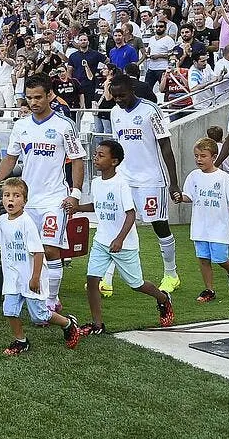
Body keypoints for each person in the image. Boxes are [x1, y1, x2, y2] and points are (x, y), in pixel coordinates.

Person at [0, 74, 86, 312]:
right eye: (29, 98)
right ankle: (30, 291)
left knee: (50, 249)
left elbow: (78, 160)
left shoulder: (64, 125)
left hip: (55, 199)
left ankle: (52, 299)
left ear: (50, 95)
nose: (33, 102)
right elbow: (11, 158)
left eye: (38, 97)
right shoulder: (21, 126)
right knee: (31, 250)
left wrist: (75, 194)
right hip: (28, 202)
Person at [67, 140, 173, 335]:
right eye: (96, 154)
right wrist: (79, 208)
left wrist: (120, 239)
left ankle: (162, 298)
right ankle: (97, 324)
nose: (95, 158)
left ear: (114, 161)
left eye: (101, 155)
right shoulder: (97, 183)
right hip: (101, 242)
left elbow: (130, 214)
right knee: (92, 281)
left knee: (136, 284)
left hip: (124, 245)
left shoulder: (122, 184)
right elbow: (98, 205)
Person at [0, 178, 82, 356]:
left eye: (16, 196)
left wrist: (35, 278)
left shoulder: (27, 223)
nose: (10, 200)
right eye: (6, 195)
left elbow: (38, 252)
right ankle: (21, 341)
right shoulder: (2, 221)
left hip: (30, 278)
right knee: (9, 310)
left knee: (40, 316)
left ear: (25, 201)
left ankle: (68, 324)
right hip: (13, 279)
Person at [108, 74, 182, 296]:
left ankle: (171, 274)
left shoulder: (151, 110)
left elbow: (166, 148)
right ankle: (107, 277)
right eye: (115, 96)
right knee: (117, 225)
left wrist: (173, 183)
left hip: (151, 179)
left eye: (122, 95)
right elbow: (117, 148)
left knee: (159, 225)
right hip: (125, 178)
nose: (119, 100)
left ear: (132, 89)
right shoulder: (114, 113)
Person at [176, 138, 229, 303]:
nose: (199, 159)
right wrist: (180, 197)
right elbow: (189, 196)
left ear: (213, 157)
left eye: (203, 156)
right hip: (200, 227)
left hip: (219, 227)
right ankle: (209, 290)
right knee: (203, 259)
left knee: (220, 258)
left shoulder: (223, 178)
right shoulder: (194, 176)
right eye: (196, 156)